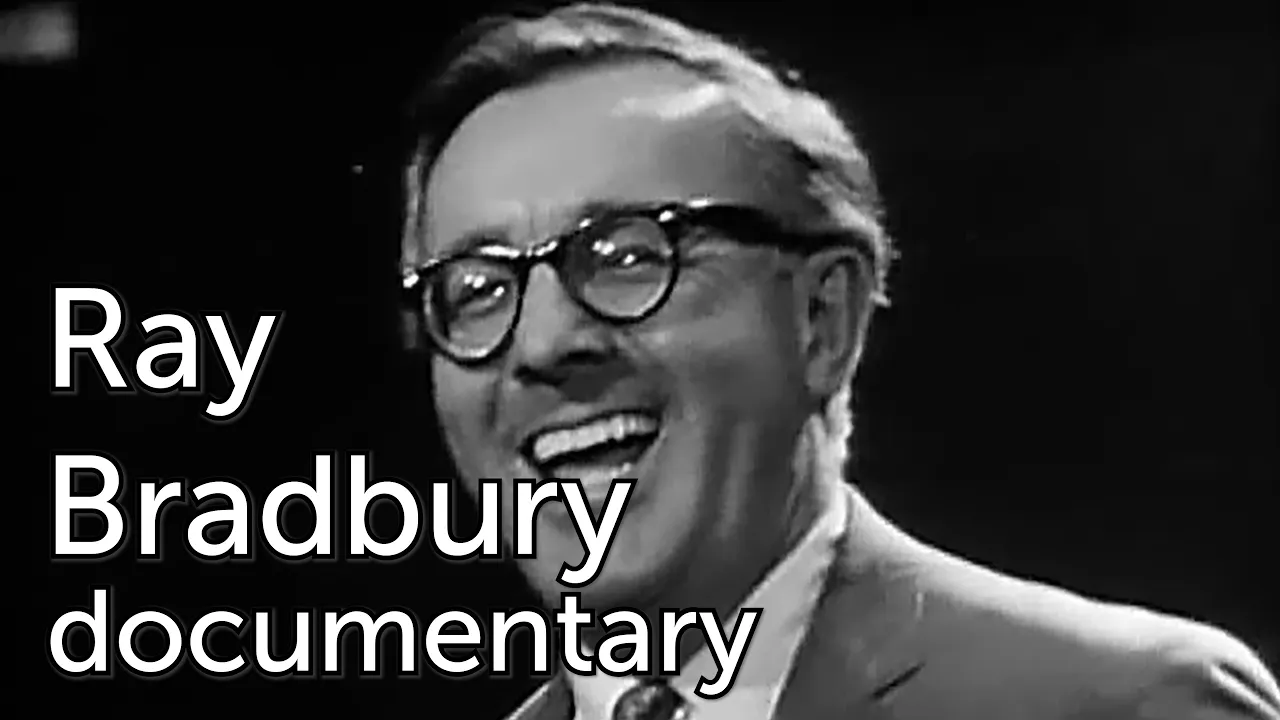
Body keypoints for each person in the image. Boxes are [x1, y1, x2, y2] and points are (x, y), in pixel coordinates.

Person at [396, 3, 1279, 719]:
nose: (544, 344)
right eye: (477, 290)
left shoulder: (1125, 705)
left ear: (824, 318)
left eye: (629, 256)